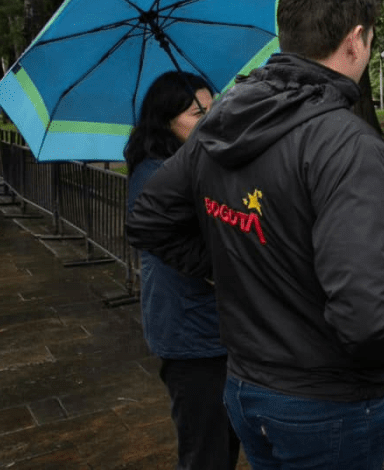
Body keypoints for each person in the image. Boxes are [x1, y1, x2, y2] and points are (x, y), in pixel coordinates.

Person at [126, 0, 384, 469]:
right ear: (356, 40)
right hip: (324, 403)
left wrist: (239, 259)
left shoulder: (220, 122)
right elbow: (370, 320)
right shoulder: (350, 147)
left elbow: (152, 219)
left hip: (246, 388)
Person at [123, 71, 239, 470]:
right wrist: (217, 267)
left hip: (215, 330)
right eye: (196, 112)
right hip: (193, 336)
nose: (209, 118)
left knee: (223, 441)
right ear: (166, 120)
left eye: (212, 107)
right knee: (205, 451)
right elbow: (156, 235)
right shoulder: (154, 175)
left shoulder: (192, 162)